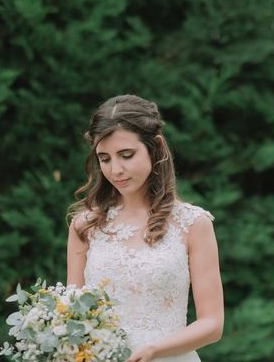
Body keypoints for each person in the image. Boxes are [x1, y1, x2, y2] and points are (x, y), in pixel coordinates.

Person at [67, 94, 224, 362]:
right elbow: (72, 314)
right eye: (104, 159)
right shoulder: (85, 225)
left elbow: (212, 324)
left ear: (156, 147)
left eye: (126, 155)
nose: (116, 169)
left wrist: (154, 350)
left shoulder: (193, 224)